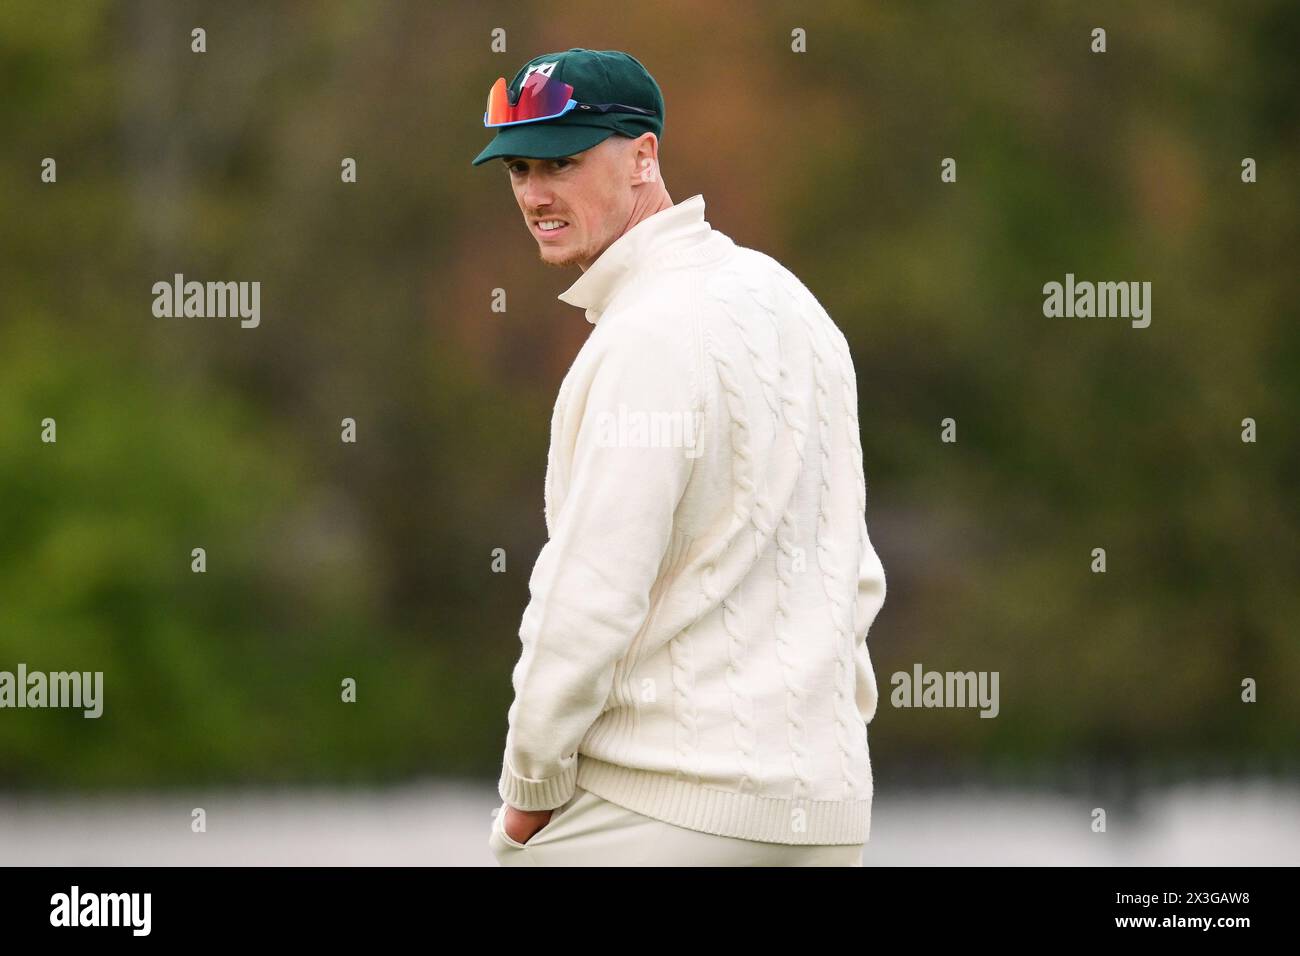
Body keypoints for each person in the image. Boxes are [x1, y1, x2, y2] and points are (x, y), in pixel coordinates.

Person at [471, 48, 887, 866]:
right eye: (518, 167)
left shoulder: (647, 333)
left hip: (661, 815)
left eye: (562, 161)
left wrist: (528, 793)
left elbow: (590, 591)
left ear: (644, 156)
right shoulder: (795, 306)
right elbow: (856, 574)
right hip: (823, 818)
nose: (535, 193)